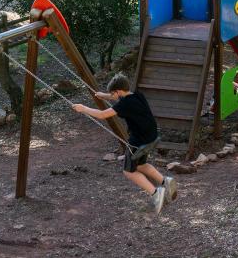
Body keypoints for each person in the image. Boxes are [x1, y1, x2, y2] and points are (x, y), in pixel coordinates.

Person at [72, 73, 177, 214]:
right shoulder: (137, 95)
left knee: (129, 172)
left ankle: (156, 194)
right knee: (141, 165)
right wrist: (105, 96)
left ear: (118, 91)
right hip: (151, 136)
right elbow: (117, 97)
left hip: (138, 142)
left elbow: (102, 115)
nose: (112, 95)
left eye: (112, 93)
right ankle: (166, 182)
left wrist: (83, 108)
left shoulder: (124, 104)